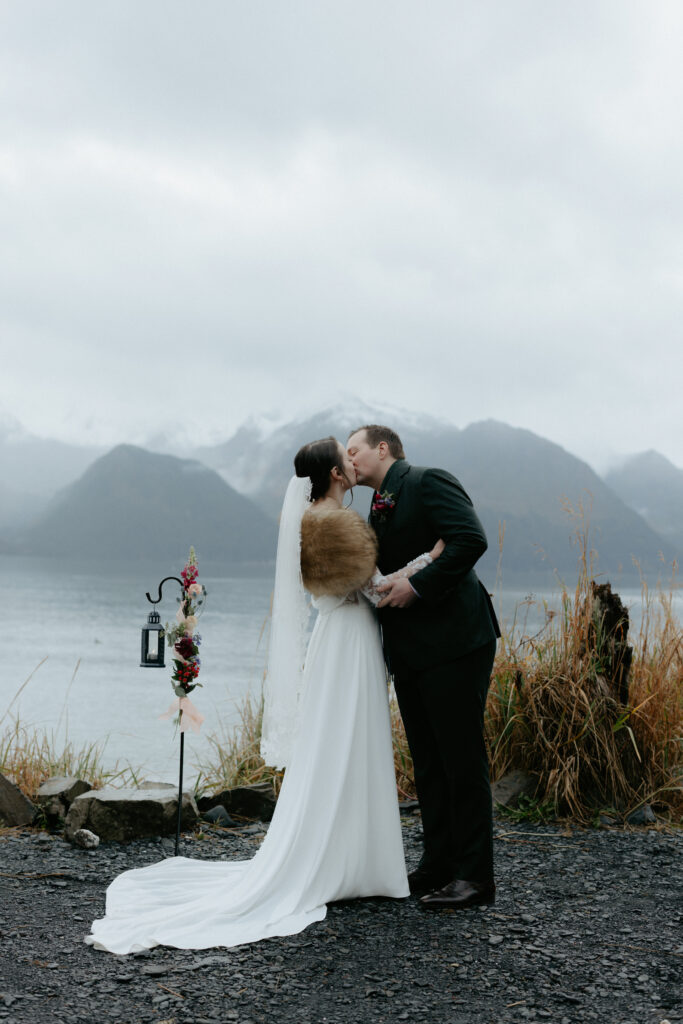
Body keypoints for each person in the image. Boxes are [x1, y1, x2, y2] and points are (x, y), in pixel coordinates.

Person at [86, 436, 441, 954]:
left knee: (335, 746)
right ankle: (354, 863)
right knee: (348, 742)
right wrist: (429, 560)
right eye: (345, 458)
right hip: (349, 641)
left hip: (336, 638)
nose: (352, 460)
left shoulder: (309, 520)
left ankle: (346, 858)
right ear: (336, 475)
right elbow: (374, 589)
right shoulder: (336, 524)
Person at [346, 424, 500, 910]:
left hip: (455, 642)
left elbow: (470, 539)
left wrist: (421, 585)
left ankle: (476, 877)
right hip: (411, 651)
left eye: (355, 450)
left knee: (461, 758)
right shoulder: (377, 503)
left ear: (383, 448)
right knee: (429, 763)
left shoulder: (429, 480)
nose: (348, 460)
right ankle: (438, 864)